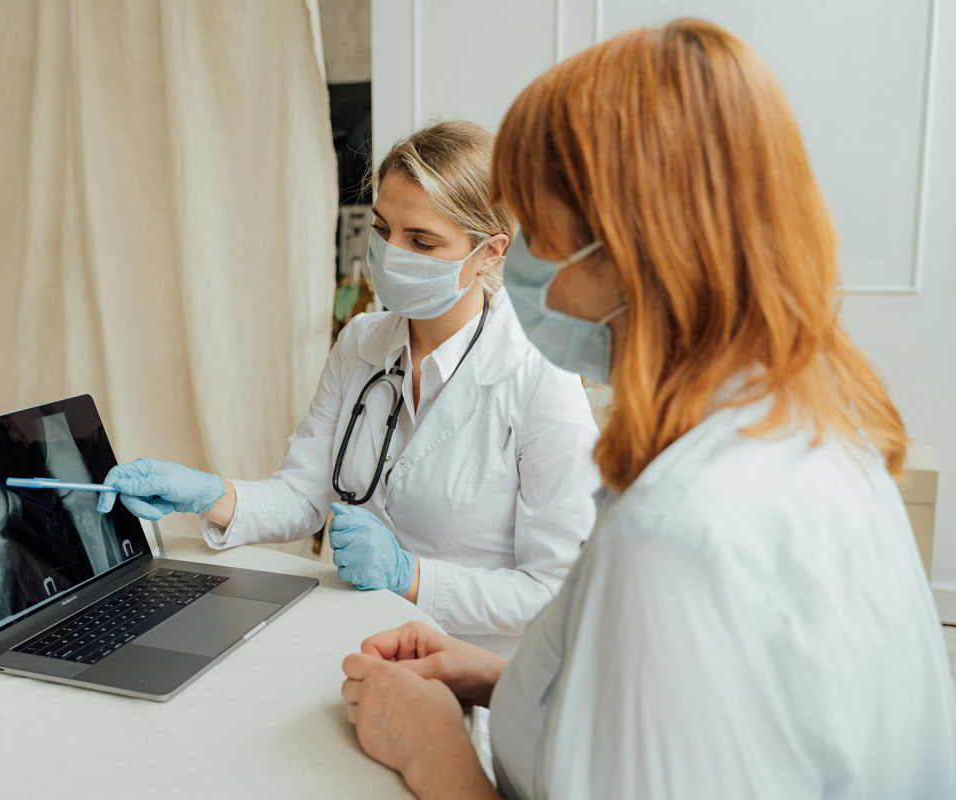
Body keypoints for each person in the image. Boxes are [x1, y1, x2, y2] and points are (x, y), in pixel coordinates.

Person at [339, 19, 956, 798]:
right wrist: (497, 676)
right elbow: (690, 717)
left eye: (534, 231)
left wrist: (433, 749)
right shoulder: (809, 429)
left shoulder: (680, 538)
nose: (517, 262)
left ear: (632, 250)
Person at [98, 121, 600, 655]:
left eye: (422, 241)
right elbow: (304, 495)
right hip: (355, 640)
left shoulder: (539, 377)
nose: (393, 253)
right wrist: (209, 494)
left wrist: (410, 577)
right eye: (383, 230)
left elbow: (556, 593)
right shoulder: (361, 342)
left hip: (473, 668)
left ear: (490, 252)